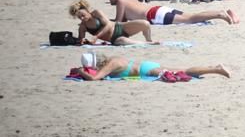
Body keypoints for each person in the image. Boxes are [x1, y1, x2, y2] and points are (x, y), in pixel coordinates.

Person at [107, 0, 238, 25]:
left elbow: (119, 22)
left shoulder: (121, 1)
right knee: (192, 16)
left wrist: (106, 21)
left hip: (154, 15)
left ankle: (220, 14)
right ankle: (222, 12)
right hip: (158, 9)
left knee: (191, 19)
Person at [75, 52, 231, 81]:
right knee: (182, 69)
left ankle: (216, 69)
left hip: (147, 70)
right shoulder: (113, 59)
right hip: (147, 66)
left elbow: (95, 78)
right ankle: (215, 68)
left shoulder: (111, 64)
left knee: (184, 71)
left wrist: (80, 72)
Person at [69, 0, 154, 45]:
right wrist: (83, 40)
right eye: (79, 17)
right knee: (123, 41)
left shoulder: (96, 13)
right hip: (114, 39)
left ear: (87, 10)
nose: (82, 18)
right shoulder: (83, 27)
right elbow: (81, 40)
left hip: (120, 27)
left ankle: (149, 40)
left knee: (145, 24)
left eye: (83, 15)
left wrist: (96, 36)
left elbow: (109, 24)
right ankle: (147, 44)